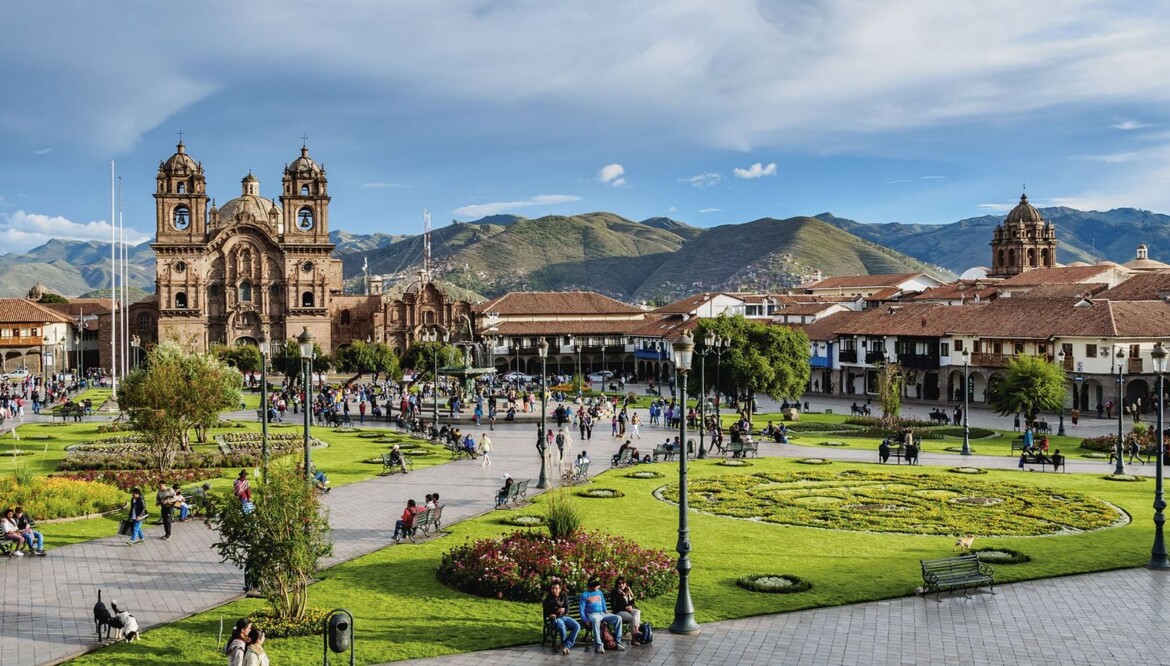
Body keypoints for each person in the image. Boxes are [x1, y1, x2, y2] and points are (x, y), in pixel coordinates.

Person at [579, 578, 624, 653]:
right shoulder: (584, 595)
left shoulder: (599, 592)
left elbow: (603, 603)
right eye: (597, 586)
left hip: (602, 614)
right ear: (592, 586)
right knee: (596, 620)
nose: (598, 587)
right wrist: (585, 620)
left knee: (618, 618)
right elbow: (581, 610)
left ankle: (618, 642)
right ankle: (599, 646)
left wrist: (606, 610)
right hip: (592, 615)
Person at [543, 580, 580, 654]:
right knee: (562, 627)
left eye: (556, 588)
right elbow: (546, 612)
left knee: (577, 626)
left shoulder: (563, 596)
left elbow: (567, 608)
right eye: (553, 588)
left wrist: (564, 610)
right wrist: (551, 614)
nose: (554, 590)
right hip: (556, 619)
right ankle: (565, 647)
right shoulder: (548, 599)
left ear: (559, 589)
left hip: (564, 617)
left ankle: (566, 645)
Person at [611, 577, 643, 645]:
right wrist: (623, 596)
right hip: (618, 612)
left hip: (626, 610)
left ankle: (635, 630)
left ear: (625, 584)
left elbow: (630, 602)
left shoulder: (626, 591)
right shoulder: (614, 592)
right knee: (633, 619)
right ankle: (633, 639)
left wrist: (631, 605)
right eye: (619, 583)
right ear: (617, 584)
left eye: (623, 583)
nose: (621, 585)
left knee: (637, 612)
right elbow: (615, 606)